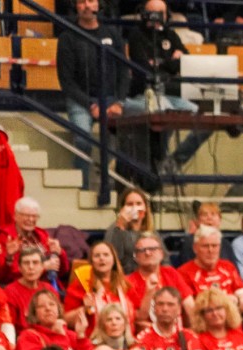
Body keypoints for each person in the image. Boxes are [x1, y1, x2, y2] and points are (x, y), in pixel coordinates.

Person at [122, 0, 211, 173]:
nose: (155, 17)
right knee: (165, 113)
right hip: (146, 93)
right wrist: (172, 62)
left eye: (160, 13)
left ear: (167, 15)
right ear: (143, 14)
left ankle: (175, 160)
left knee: (204, 118)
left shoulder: (171, 35)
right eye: (151, 12)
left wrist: (161, 63)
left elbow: (186, 61)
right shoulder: (136, 36)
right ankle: (158, 163)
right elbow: (145, 69)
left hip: (172, 93)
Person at [56, 0, 128, 188]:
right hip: (81, 99)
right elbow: (66, 81)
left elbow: (124, 71)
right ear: (75, 6)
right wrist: (91, 105)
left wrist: (119, 102)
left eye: (91, 1)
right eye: (82, 1)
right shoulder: (67, 37)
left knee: (138, 124)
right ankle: (82, 188)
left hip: (111, 98)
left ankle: (112, 180)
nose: (87, 6)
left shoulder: (112, 34)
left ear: (98, 5)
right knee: (83, 141)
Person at [178, 225, 243, 316]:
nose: (210, 250)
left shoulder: (228, 267)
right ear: (195, 248)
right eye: (205, 246)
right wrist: (226, 302)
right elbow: (192, 312)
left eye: (214, 246)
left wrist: (237, 301)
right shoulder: (183, 273)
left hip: (232, 322)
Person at [102, 190, 154, 274]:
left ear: (145, 208)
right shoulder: (115, 229)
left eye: (138, 204)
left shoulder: (151, 231)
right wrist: (121, 227)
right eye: (130, 204)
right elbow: (113, 259)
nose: (134, 208)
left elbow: (164, 259)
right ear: (122, 209)